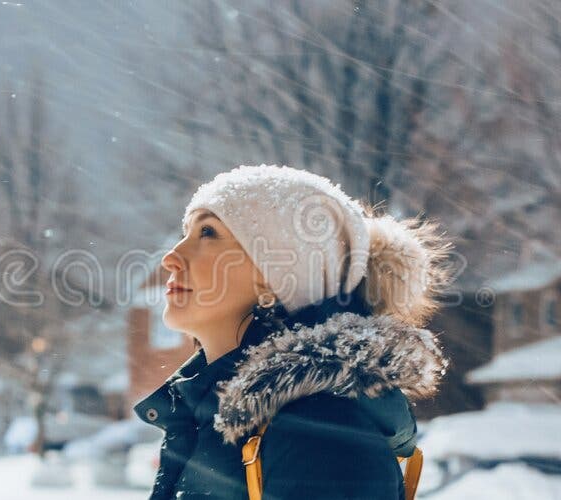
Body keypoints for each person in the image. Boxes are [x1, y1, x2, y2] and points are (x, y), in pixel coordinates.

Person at [135, 165, 452, 499]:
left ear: (280, 275)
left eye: (208, 233)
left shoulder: (321, 435)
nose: (171, 257)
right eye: (186, 233)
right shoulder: (214, 415)